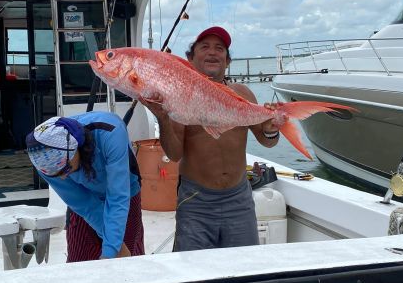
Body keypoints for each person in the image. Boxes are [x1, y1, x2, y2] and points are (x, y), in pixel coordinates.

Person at [140, 26, 279, 251]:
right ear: (190, 58)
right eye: (204, 47)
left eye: (220, 48)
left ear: (227, 61)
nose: (212, 52)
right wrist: (163, 118)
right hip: (196, 202)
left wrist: (272, 128)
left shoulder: (243, 93)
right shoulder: (179, 96)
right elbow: (174, 155)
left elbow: (268, 141)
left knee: (244, 268)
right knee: (192, 271)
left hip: (239, 200)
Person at [26, 112, 144, 261]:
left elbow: (117, 197)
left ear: (76, 147)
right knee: (79, 261)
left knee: (128, 261)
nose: (63, 177)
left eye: (66, 169)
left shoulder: (111, 132)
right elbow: (85, 204)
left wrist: (111, 249)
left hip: (124, 193)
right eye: (56, 175)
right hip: (86, 195)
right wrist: (115, 245)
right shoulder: (43, 163)